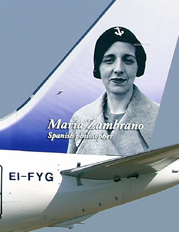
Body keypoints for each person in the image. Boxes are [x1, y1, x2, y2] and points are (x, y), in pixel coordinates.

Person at [66, 26, 158, 155]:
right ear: (99, 67)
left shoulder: (158, 116)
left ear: (138, 67)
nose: (118, 69)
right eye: (109, 60)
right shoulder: (80, 118)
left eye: (128, 60)